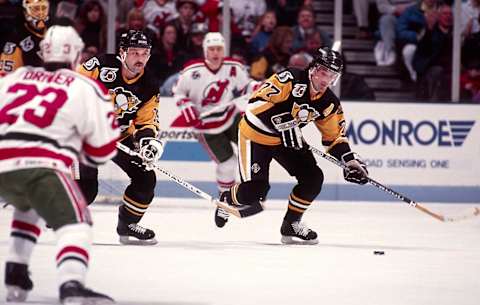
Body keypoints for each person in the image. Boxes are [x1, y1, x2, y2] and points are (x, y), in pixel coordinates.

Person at [0, 24, 119, 305]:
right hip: (43, 164)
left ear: (43, 52)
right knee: (77, 223)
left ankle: (16, 276)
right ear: (77, 54)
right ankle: (72, 284)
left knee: (27, 206)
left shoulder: (13, 77)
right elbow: (103, 149)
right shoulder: (86, 86)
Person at [214, 47, 369, 244]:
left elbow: (335, 138)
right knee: (255, 192)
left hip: (287, 139)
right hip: (256, 134)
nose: (325, 80)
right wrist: (282, 121)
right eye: (323, 72)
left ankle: (291, 224)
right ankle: (227, 198)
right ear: (313, 69)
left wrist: (350, 161)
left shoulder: (329, 103)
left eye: (331, 76)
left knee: (313, 177)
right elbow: (255, 104)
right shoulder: (289, 78)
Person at [77, 30, 163, 245]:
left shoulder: (150, 85)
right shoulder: (99, 65)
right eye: (134, 52)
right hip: (86, 136)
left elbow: (146, 122)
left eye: (144, 53)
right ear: (122, 52)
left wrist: (147, 143)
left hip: (119, 135)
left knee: (145, 178)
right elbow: (70, 87)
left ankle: (127, 224)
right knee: (87, 191)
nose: (140, 58)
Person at [173, 32, 258, 208]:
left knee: (253, 150)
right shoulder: (192, 71)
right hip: (206, 128)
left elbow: (245, 87)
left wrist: (257, 86)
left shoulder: (233, 67)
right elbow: (179, 92)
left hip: (231, 117)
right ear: (205, 51)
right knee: (228, 163)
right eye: (211, 49)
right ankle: (226, 197)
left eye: (219, 49)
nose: (215, 53)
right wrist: (186, 106)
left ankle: (248, 192)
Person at [0, 0, 50, 77]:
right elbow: (4, 78)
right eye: (36, 9)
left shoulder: (56, 33)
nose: (41, 13)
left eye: (43, 8)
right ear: (25, 12)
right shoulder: (15, 41)